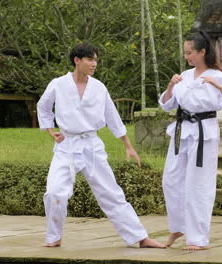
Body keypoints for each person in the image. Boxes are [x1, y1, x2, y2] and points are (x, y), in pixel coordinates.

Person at [37, 43, 165, 248]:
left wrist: (128, 146)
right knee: (54, 192)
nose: (94, 64)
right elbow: (43, 106)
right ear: (77, 60)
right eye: (90, 59)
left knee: (111, 193)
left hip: (91, 145)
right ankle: (54, 237)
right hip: (67, 145)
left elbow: (112, 117)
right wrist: (50, 130)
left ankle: (140, 237)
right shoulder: (58, 84)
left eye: (95, 60)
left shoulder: (98, 88)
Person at [158, 31, 222, 250]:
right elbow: (167, 104)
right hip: (182, 130)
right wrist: (170, 86)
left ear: (202, 51)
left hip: (204, 133)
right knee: (171, 179)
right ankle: (178, 227)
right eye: (185, 53)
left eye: (190, 52)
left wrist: (219, 87)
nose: (187, 56)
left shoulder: (219, 76)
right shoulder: (184, 76)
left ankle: (197, 238)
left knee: (199, 184)